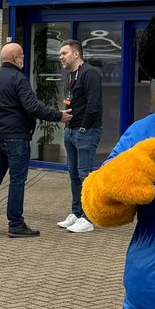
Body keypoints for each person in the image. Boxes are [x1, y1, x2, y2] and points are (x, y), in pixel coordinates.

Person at [0, 41, 69, 237]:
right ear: (15, 58)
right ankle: (15, 224)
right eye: (22, 56)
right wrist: (58, 116)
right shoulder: (19, 79)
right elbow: (33, 107)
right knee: (17, 181)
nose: (24, 60)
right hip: (16, 138)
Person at [56, 40, 103, 234]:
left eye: (64, 53)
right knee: (74, 174)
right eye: (60, 53)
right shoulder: (71, 75)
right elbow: (73, 100)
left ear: (76, 54)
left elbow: (94, 104)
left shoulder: (89, 73)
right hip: (70, 131)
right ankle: (76, 213)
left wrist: (83, 128)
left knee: (85, 175)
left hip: (85, 132)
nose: (61, 56)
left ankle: (88, 218)